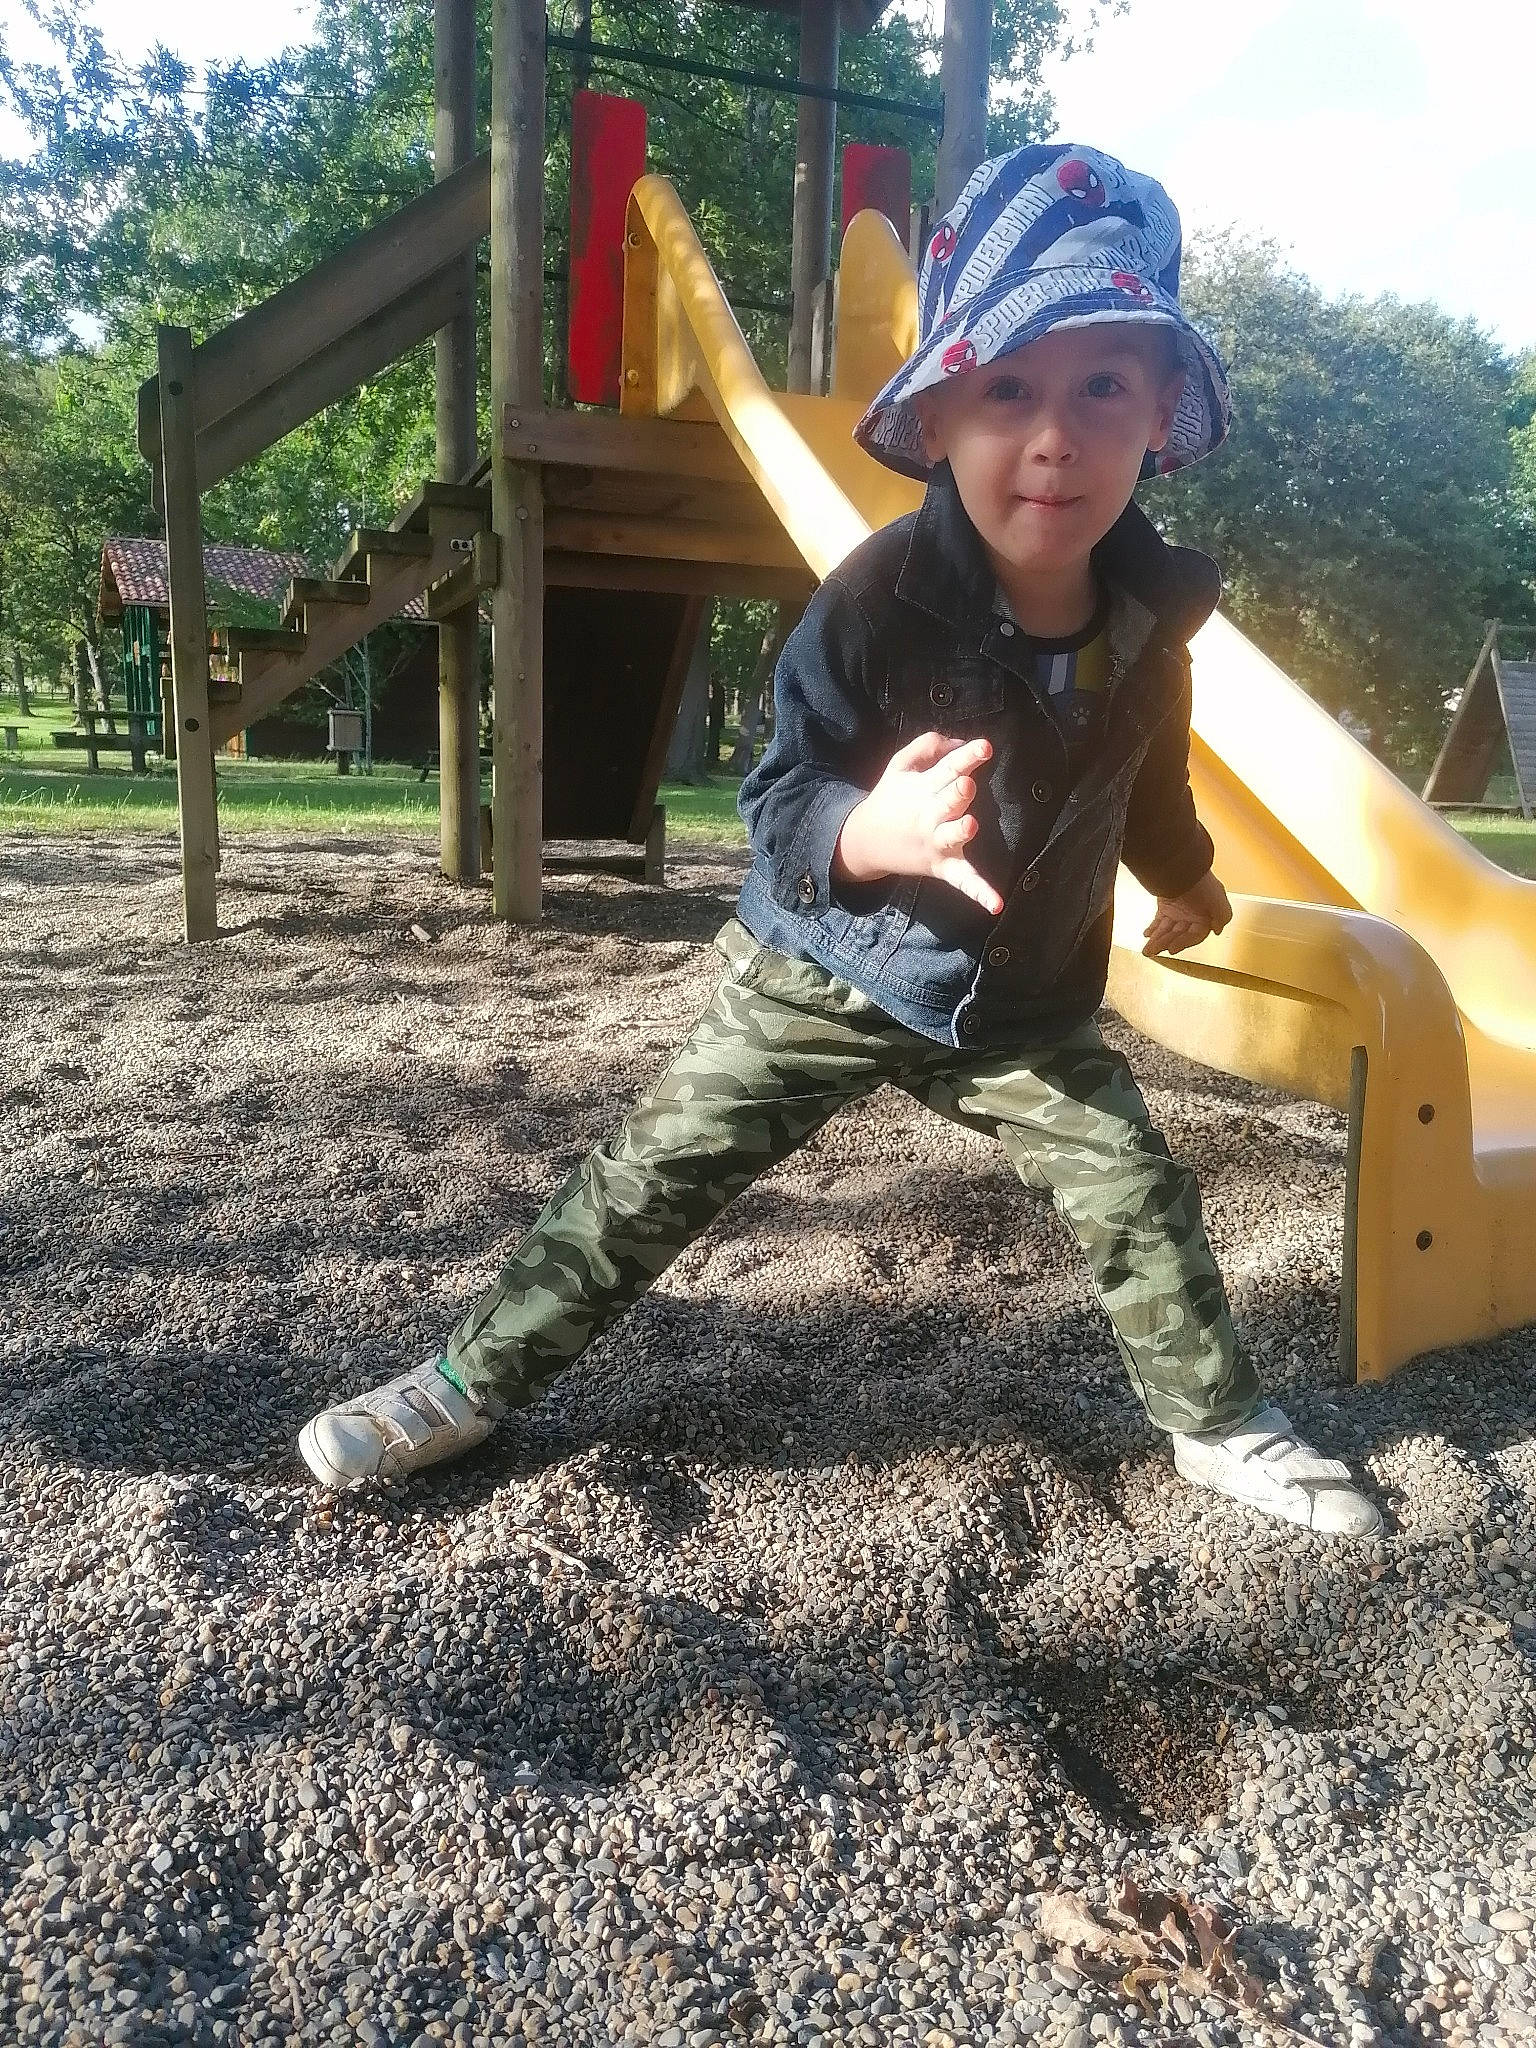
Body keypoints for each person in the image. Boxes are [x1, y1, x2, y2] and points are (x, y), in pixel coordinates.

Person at [300, 142, 1381, 1539]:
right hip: (832, 967)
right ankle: (466, 1377)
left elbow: (1148, 779)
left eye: (1102, 386)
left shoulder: (1148, 625)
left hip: (1022, 1004)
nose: (1054, 435)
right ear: (941, 421)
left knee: (1135, 1179)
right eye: (1011, 391)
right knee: (660, 1163)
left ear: (1157, 415)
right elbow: (780, 792)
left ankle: (1219, 1424)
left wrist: (1183, 878)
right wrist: (865, 829)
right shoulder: (875, 601)